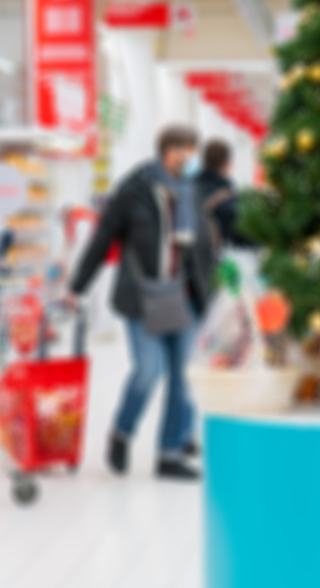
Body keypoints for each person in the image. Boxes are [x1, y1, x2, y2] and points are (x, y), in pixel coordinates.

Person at [66, 125, 208, 481]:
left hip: (185, 297)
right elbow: (102, 239)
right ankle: (122, 432)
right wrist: (77, 287)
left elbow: (202, 246)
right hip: (143, 298)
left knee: (183, 377)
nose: (190, 159)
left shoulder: (191, 192)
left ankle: (170, 454)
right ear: (168, 152)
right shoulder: (134, 190)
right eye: (185, 151)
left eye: (194, 151)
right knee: (148, 371)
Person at [193, 138, 253, 295]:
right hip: (219, 271)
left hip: (188, 275)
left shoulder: (187, 190)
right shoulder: (230, 199)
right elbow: (244, 238)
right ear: (227, 164)